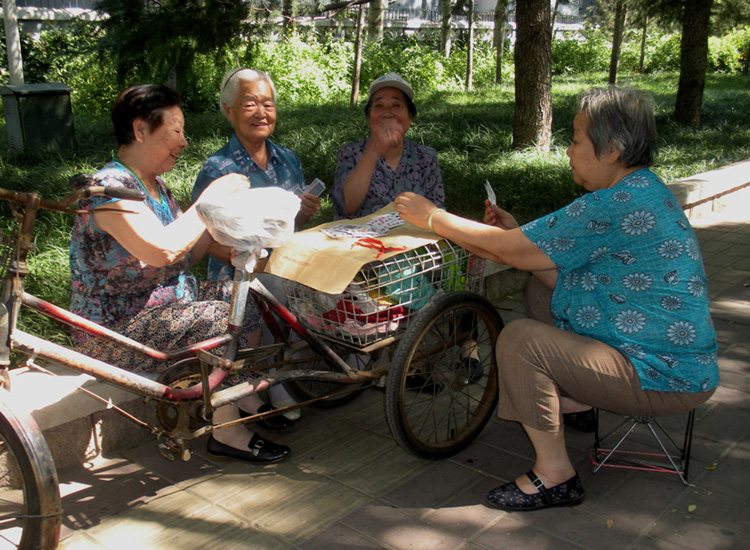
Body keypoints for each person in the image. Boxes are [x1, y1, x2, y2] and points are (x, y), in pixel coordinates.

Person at [394, 86, 719, 511]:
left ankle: (555, 475)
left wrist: (433, 217)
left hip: (662, 376)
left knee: (518, 340)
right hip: (671, 360)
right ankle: (577, 403)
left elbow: (504, 251)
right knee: (539, 288)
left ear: (613, 150)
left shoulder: (613, 204)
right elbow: (530, 253)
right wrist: (514, 235)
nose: (568, 151)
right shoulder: (642, 190)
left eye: (577, 139)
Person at [69, 84, 291, 464]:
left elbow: (186, 253)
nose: (185, 142)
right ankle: (228, 432)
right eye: (176, 131)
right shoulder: (108, 190)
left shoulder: (153, 184)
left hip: (163, 304)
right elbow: (162, 250)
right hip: (117, 326)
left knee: (245, 296)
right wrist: (208, 201)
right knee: (226, 317)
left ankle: (238, 397)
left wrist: (233, 224)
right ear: (141, 130)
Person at [192, 68, 313, 422]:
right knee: (268, 291)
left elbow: (285, 225)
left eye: (268, 103)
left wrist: (301, 212)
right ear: (229, 111)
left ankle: (284, 376)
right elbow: (203, 236)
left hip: (284, 261)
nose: (261, 112)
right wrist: (246, 261)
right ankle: (265, 385)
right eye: (250, 104)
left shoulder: (287, 159)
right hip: (239, 270)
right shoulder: (219, 168)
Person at [331, 72, 445, 220]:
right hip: (361, 241)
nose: (387, 113)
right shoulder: (350, 152)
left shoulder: (426, 157)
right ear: (369, 117)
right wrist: (373, 150)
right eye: (379, 106)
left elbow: (437, 216)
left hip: (410, 241)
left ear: (410, 117)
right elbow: (346, 207)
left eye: (396, 105)